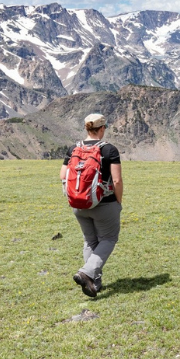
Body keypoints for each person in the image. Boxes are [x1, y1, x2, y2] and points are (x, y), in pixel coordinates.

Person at [60, 113, 123, 297]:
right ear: (101, 128)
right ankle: (86, 273)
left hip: (78, 205)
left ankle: (94, 283)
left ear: (86, 128)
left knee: (90, 241)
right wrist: (118, 202)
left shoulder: (73, 149)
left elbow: (63, 175)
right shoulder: (109, 150)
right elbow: (117, 180)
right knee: (109, 239)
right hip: (104, 203)